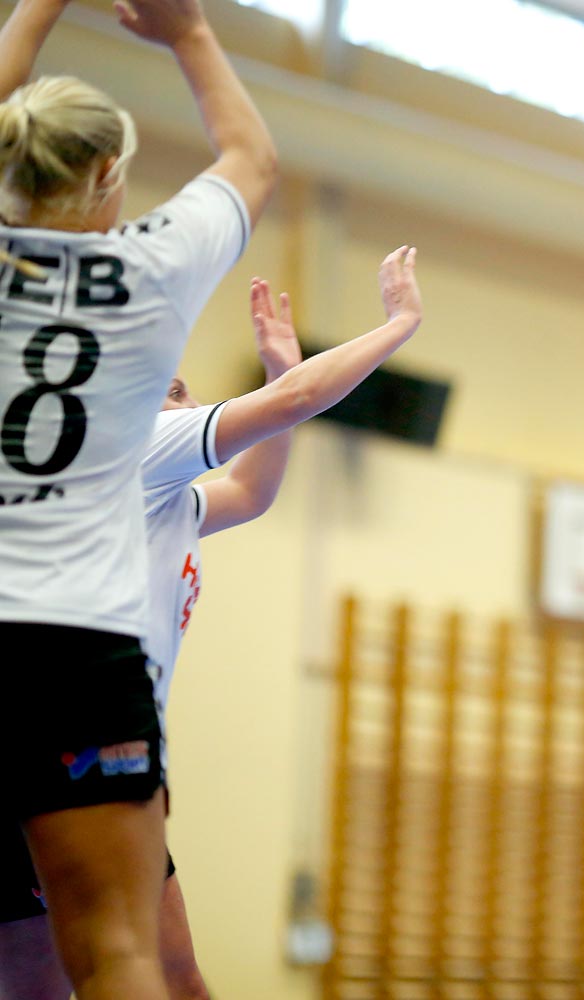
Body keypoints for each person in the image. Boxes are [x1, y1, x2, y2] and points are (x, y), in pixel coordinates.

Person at [0, 245, 424, 999]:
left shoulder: (171, 502)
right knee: (74, 981)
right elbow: (296, 405)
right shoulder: (132, 457)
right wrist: (397, 325)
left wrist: (275, 374)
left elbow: (255, 489)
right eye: (165, 386)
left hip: (102, 756)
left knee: (171, 979)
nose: (183, 391)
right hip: (59, 749)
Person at [0, 0, 277, 996]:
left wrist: (37, 8)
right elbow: (250, 157)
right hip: (75, 642)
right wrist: (188, 33)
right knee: (116, 948)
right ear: (112, 179)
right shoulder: (151, 268)